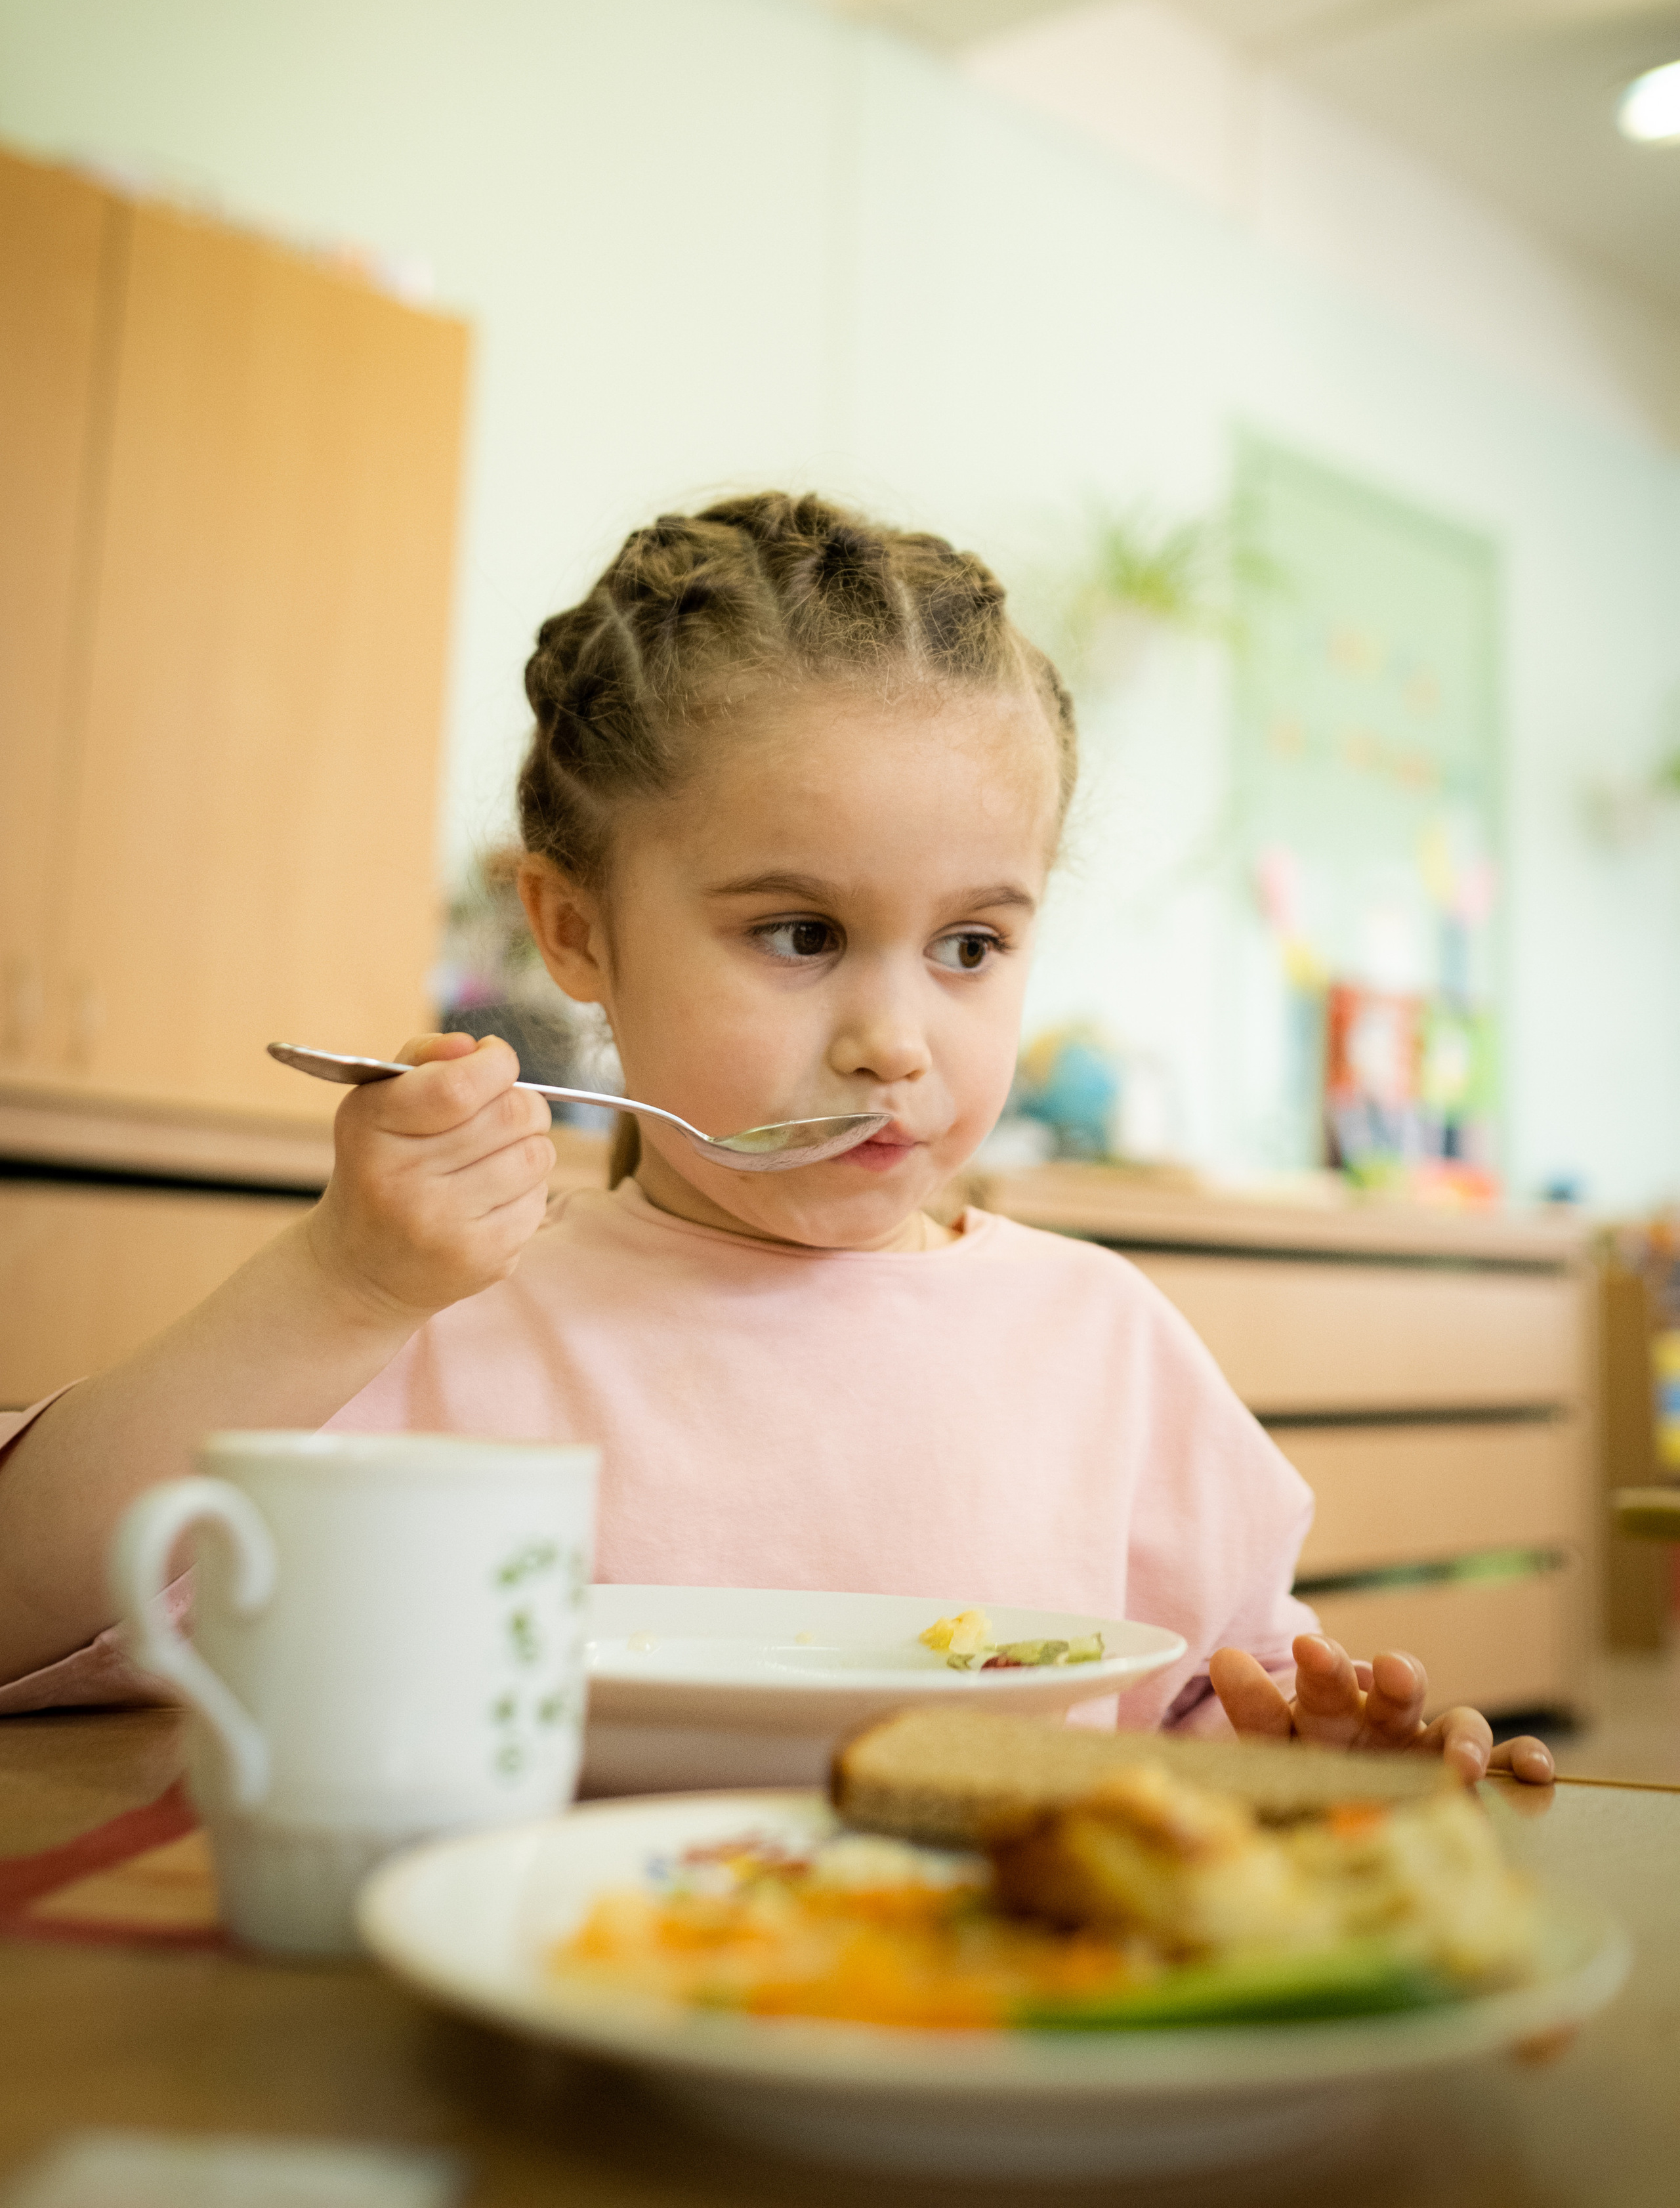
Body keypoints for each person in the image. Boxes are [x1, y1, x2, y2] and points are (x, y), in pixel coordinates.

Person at [0, 493, 1551, 1783]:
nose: (897, 1040)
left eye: (968, 947)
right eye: (801, 932)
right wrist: (337, 1287)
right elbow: (22, 1616)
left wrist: (1315, 1751)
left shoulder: (1105, 1350)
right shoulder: (439, 1331)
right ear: (574, 929)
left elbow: (1204, 1710)